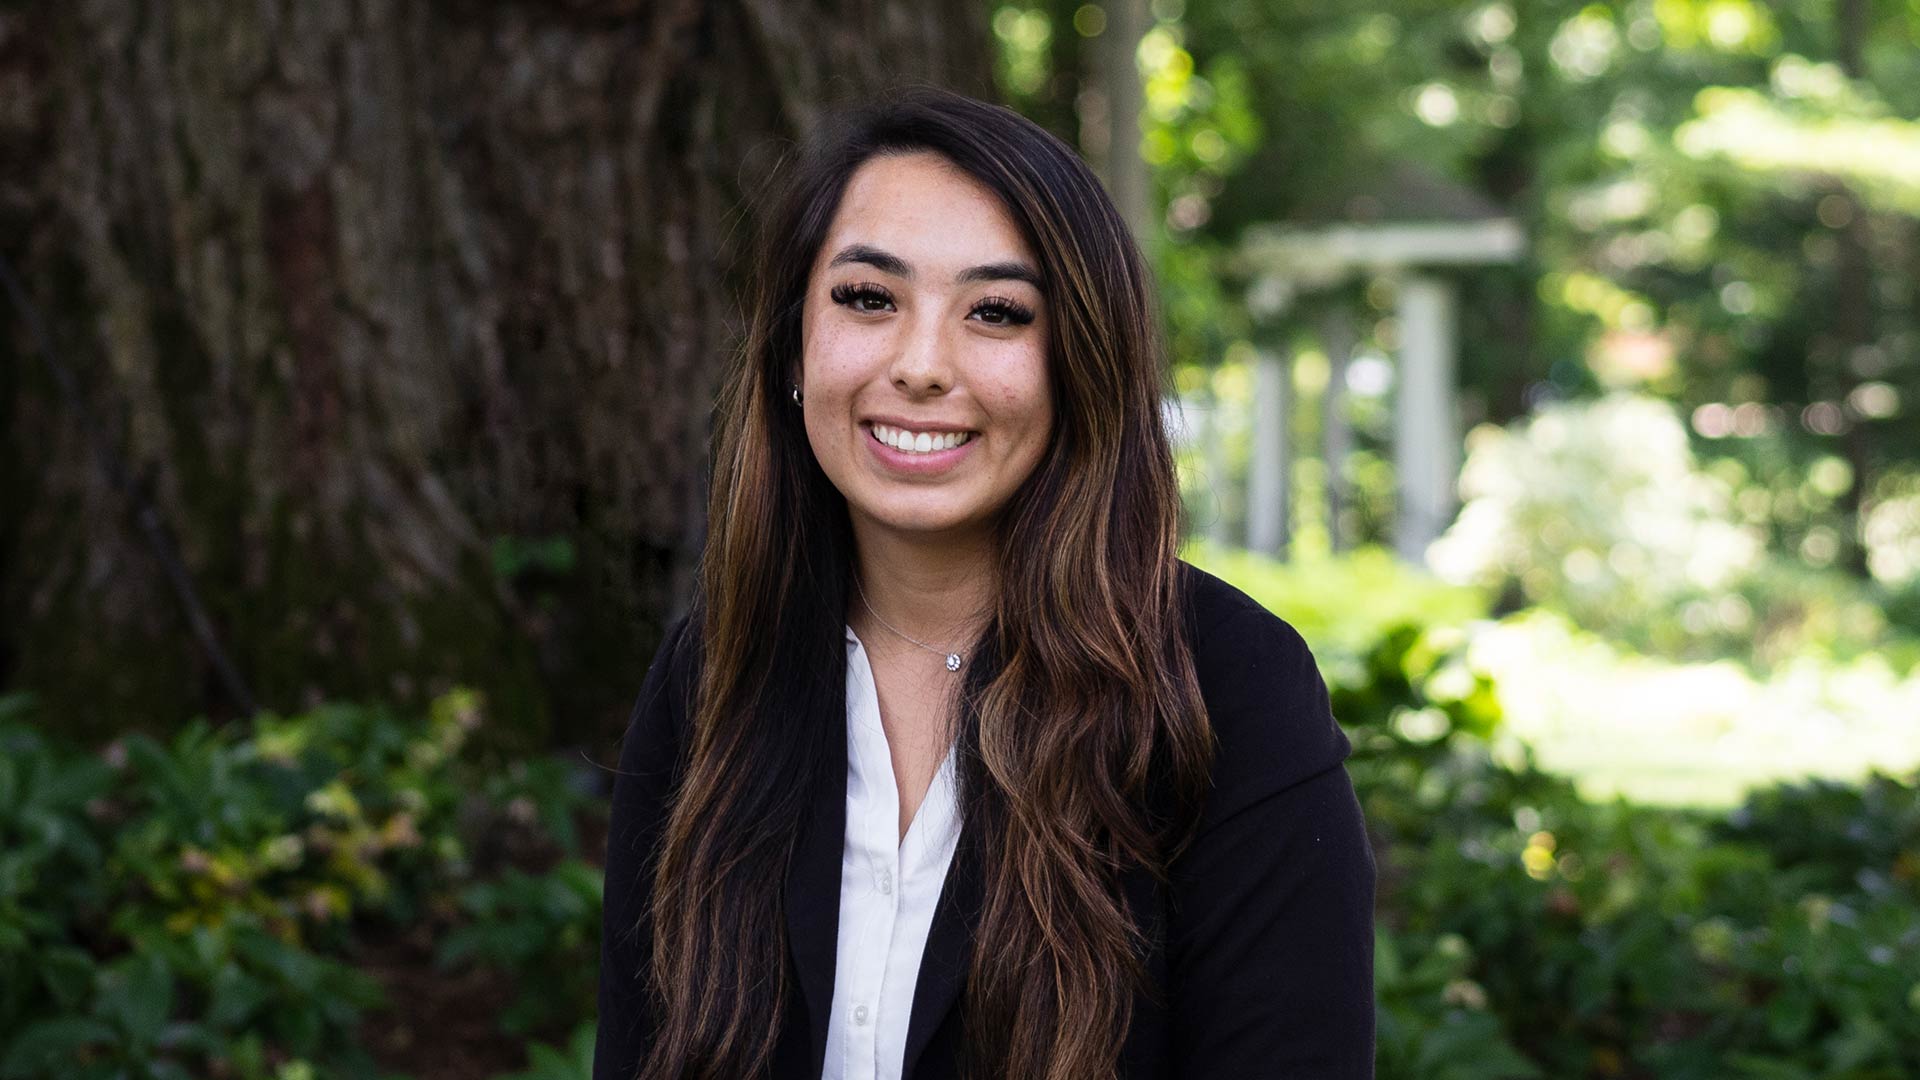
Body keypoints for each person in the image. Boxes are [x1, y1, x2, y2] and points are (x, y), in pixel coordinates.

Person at [594, 85, 1375, 1080]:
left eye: (996, 313)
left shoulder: (1229, 688)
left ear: (1076, 367)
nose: (922, 365)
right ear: (793, 349)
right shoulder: (712, 674)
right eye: (869, 298)